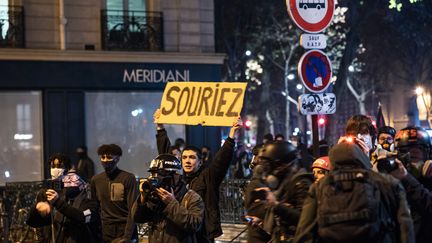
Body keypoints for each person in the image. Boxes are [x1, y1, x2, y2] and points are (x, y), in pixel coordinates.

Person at [294, 141, 414, 243]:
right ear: (362, 157)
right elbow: (405, 227)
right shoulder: (387, 183)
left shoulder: (319, 187)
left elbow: (304, 231)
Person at [153, 109, 241, 242]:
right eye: (185, 157)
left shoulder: (208, 177)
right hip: (181, 231)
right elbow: (166, 155)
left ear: (200, 162)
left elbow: (221, 161)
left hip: (202, 235)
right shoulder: (176, 178)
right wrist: (160, 127)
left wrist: (232, 133)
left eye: (192, 157)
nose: (187, 161)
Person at [244, 141, 313, 243]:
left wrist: (276, 205)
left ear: (281, 165)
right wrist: (263, 220)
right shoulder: (285, 183)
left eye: (270, 166)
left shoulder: (301, 183)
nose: (268, 172)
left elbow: (304, 219)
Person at [26, 153, 101, 243]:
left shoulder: (88, 199)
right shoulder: (48, 193)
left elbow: (82, 217)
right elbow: (34, 223)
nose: (70, 181)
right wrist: (38, 209)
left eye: (73, 177)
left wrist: (58, 203)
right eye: (53, 166)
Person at [132, 154, 204, 243]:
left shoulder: (192, 197)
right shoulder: (155, 195)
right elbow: (138, 218)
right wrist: (143, 197)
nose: (156, 178)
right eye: (153, 174)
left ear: (176, 176)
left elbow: (194, 225)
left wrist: (171, 203)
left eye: (160, 174)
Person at [90, 144, 138, 243]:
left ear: (117, 158)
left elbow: (133, 208)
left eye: (109, 157)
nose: (105, 160)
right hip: (105, 231)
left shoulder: (128, 178)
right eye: (103, 157)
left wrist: (127, 236)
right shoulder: (96, 180)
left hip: (125, 229)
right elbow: (95, 208)